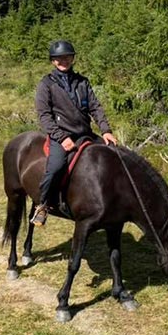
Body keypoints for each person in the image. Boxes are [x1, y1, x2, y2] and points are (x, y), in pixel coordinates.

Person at [31, 40, 117, 226]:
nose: (64, 60)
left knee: (114, 157)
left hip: (85, 133)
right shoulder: (46, 84)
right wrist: (62, 138)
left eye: (68, 57)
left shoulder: (82, 82)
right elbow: (44, 116)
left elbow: (95, 107)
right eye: (59, 58)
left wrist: (106, 130)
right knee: (55, 168)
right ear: (53, 61)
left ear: (72, 58)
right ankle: (43, 205)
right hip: (61, 136)